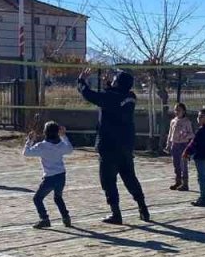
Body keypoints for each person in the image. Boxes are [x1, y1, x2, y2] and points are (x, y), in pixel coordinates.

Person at [77, 68, 150, 224]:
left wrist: (82, 80)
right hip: (126, 145)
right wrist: (109, 85)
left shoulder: (109, 97)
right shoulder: (131, 97)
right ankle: (143, 208)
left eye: (115, 79)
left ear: (118, 83)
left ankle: (116, 213)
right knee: (130, 177)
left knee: (108, 181)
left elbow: (88, 94)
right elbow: (115, 97)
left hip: (109, 145)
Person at [24, 121, 73, 229]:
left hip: (50, 177)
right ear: (57, 132)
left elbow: (26, 152)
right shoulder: (61, 145)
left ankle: (44, 219)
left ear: (45, 132)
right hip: (61, 175)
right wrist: (64, 135)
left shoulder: (42, 146)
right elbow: (70, 149)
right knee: (58, 197)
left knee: (37, 199)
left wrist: (30, 140)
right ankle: (66, 217)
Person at [185, 107, 205, 208]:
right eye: (198, 116)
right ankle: (204, 197)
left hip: (202, 157)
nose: (199, 118)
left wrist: (187, 152)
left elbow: (194, 143)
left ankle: (204, 198)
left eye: (201, 116)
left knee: (202, 178)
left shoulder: (202, 131)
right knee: (203, 177)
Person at [165, 102, 193, 192]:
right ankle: (178, 181)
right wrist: (168, 144)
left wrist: (185, 135)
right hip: (174, 144)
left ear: (184, 111)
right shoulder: (173, 121)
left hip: (183, 145)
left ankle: (185, 184)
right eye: (175, 110)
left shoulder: (187, 122)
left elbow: (192, 134)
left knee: (183, 165)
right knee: (176, 164)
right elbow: (170, 133)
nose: (176, 112)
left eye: (179, 110)